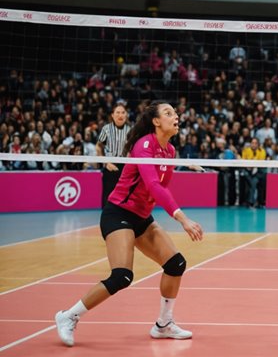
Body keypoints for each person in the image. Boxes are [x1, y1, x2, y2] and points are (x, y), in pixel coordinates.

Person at [54, 101, 204, 347]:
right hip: (118, 214)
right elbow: (153, 185)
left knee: (176, 264)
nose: (175, 116)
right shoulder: (144, 145)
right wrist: (182, 218)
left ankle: (164, 325)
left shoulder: (170, 152)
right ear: (156, 121)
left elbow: (160, 190)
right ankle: (68, 316)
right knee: (122, 276)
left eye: (175, 112)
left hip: (142, 218)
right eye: (168, 113)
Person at [95, 103, 130, 205]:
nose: (120, 115)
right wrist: (106, 163)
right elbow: (98, 146)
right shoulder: (106, 129)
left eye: (123, 112)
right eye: (118, 112)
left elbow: (132, 149)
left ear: (126, 115)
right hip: (109, 166)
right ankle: (107, 220)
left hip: (125, 168)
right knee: (108, 197)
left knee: (124, 197)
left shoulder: (130, 130)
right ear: (112, 115)